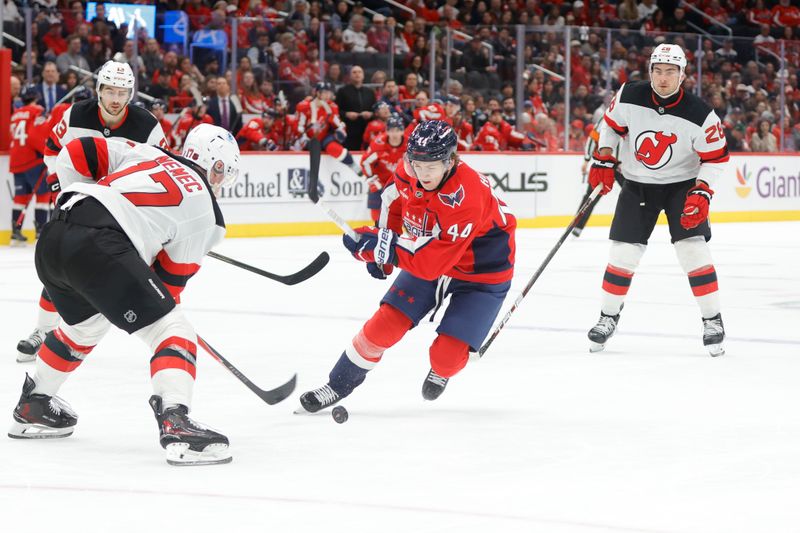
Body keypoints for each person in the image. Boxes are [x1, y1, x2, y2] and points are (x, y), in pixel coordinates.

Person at [8, 124, 240, 466]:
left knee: (85, 327)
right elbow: (168, 287)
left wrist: (90, 208)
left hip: (54, 236)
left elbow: (76, 152)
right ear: (217, 166)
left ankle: (35, 403)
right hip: (101, 248)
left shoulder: (147, 151)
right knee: (172, 330)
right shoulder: (208, 214)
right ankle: (176, 420)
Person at [298, 120, 516, 412]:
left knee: (445, 358)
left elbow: (429, 263)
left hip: (483, 273)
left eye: (431, 166)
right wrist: (381, 249)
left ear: (451, 160)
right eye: (417, 164)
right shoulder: (410, 169)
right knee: (383, 326)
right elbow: (393, 202)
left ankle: (445, 365)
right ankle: (337, 384)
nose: (422, 173)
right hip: (432, 253)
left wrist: (381, 246)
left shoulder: (467, 198)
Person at [16, 61, 168, 364]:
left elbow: (161, 168)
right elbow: (51, 149)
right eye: (110, 90)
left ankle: (162, 335)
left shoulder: (147, 125)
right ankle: (43, 331)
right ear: (98, 90)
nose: (115, 98)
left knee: (117, 277)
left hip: (121, 211)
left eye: (122, 92)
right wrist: (62, 188)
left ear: (131, 94)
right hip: (81, 203)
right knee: (59, 270)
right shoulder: (75, 114)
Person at [586, 44, 728, 356]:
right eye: (658, 70)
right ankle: (608, 317)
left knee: (693, 250)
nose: (663, 78)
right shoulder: (628, 95)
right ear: (650, 71)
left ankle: (712, 320)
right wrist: (605, 157)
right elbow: (610, 127)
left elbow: (716, 158)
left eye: (670, 71)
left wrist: (702, 190)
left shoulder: (701, 114)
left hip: (682, 187)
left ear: (683, 74)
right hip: (638, 185)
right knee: (623, 253)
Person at [9, 85, 50, 245]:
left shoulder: (15, 114)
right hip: (32, 159)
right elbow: (36, 135)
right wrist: (45, 151)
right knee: (43, 196)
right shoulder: (37, 110)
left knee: (20, 197)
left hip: (16, 160)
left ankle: (15, 232)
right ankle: (40, 231)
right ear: (36, 98)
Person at [571, 118, 624, 238]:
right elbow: (592, 138)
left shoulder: (632, 113)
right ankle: (577, 225)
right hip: (606, 164)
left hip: (624, 166)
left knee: (632, 195)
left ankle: (635, 226)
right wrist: (586, 159)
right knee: (591, 194)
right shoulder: (607, 117)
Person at [295, 82, 362, 176]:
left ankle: (355, 167)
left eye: (329, 92)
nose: (328, 95)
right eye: (324, 92)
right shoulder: (304, 106)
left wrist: (341, 131)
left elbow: (339, 124)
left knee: (333, 147)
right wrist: (303, 139)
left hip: (324, 138)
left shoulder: (331, 107)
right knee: (310, 148)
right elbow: (299, 127)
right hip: (308, 140)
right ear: (317, 93)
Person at [360, 115, 406, 222]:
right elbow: (365, 162)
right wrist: (371, 178)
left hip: (400, 182)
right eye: (391, 130)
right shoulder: (378, 144)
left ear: (403, 131)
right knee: (375, 205)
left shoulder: (409, 145)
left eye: (398, 130)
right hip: (380, 181)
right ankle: (377, 229)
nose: (395, 134)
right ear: (387, 131)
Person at [335, 65, 376, 151]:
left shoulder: (370, 92)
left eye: (359, 72)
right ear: (350, 76)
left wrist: (371, 114)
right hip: (349, 130)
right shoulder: (342, 91)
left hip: (367, 129)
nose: (357, 74)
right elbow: (336, 110)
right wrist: (346, 114)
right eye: (354, 72)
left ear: (363, 75)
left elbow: (375, 110)